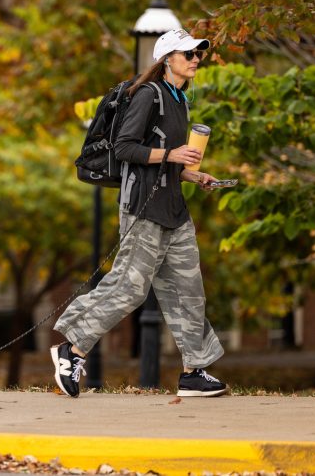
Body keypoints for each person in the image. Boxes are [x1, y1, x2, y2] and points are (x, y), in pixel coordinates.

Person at [51, 28, 228, 398]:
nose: (196, 59)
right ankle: (73, 349)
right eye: (189, 54)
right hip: (142, 207)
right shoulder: (148, 95)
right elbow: (125, 147)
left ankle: (194, 371)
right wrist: (171, 156)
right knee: (129, 288)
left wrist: (192, 175)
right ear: (168, 59)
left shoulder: (180, 99)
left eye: (198, 54)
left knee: (188, 290)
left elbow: (166, 158)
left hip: (173, 208)